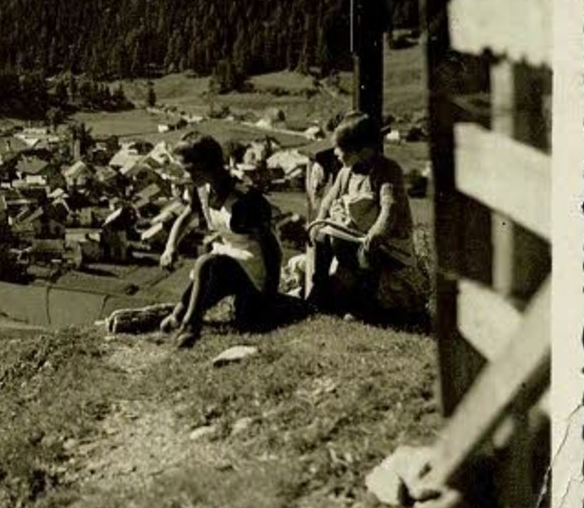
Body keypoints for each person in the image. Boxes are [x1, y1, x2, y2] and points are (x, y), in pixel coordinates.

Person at [158, 133, 282, 349]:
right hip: (230, 257)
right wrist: (170, 248)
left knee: (206, 263)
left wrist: (269, 292)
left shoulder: (244, 200)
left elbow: (271, 248)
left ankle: (190, 325)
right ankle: (180, 313)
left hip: (255, 264)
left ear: (206, 165)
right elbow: (186, 217)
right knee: (209, 268)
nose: (186, 174)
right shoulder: (202, 190)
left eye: (188, 168)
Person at [303, 113, 429, 317]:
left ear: (362, 150)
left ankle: (362, 305)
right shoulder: (347, 172)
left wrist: (376, 233)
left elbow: (390, 210)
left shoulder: (387, 170)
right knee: (322, 238)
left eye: (340, 149)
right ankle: (319, 289)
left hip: (387, 242)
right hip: (354, 234)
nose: (335, 153)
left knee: (366, 255)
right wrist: (318, 223)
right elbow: (328, 200)